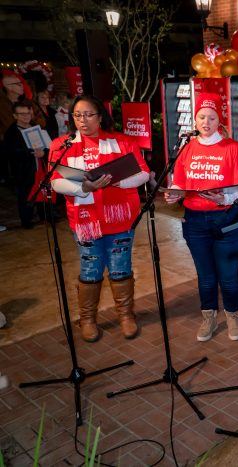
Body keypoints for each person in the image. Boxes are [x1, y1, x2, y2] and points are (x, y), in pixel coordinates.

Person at [49, 95, 150, 341]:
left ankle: (126, 316)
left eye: (89, 114)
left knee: (120, 267)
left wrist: (114, 180)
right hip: (85, 219)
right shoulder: (62, 145)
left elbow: (143, 174)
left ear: (100, 116)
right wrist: (85, 189)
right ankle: (87, 319)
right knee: (91, 268)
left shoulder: (122, 141)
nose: (83, 120)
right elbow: (56, 181)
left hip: (119, 218)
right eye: (77, 115)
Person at [164, 93, 238, 343]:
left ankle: (233, 315)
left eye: (211, 117)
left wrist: (222, 199)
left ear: (219, 120)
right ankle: (209, 315)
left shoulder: (233, 148)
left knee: (228, 275)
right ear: (195, 119)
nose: (206, 122)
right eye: (201, 117)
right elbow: (180, 181)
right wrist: (175, 194)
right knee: (205, 275)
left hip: (227, 219)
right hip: (195, 220)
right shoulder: (187, 149)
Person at [3, 101, 44, 228]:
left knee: (40, 191)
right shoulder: (11, 132)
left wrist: (43, 152)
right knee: (25, 195)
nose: (26, 116)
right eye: (22, 114)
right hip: (23, 170)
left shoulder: (34, 127)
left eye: (28, 113)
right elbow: (12, 152)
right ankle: (27, 221)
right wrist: (31, 152)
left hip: (38, 166)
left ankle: (43, 215)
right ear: (15, 116)